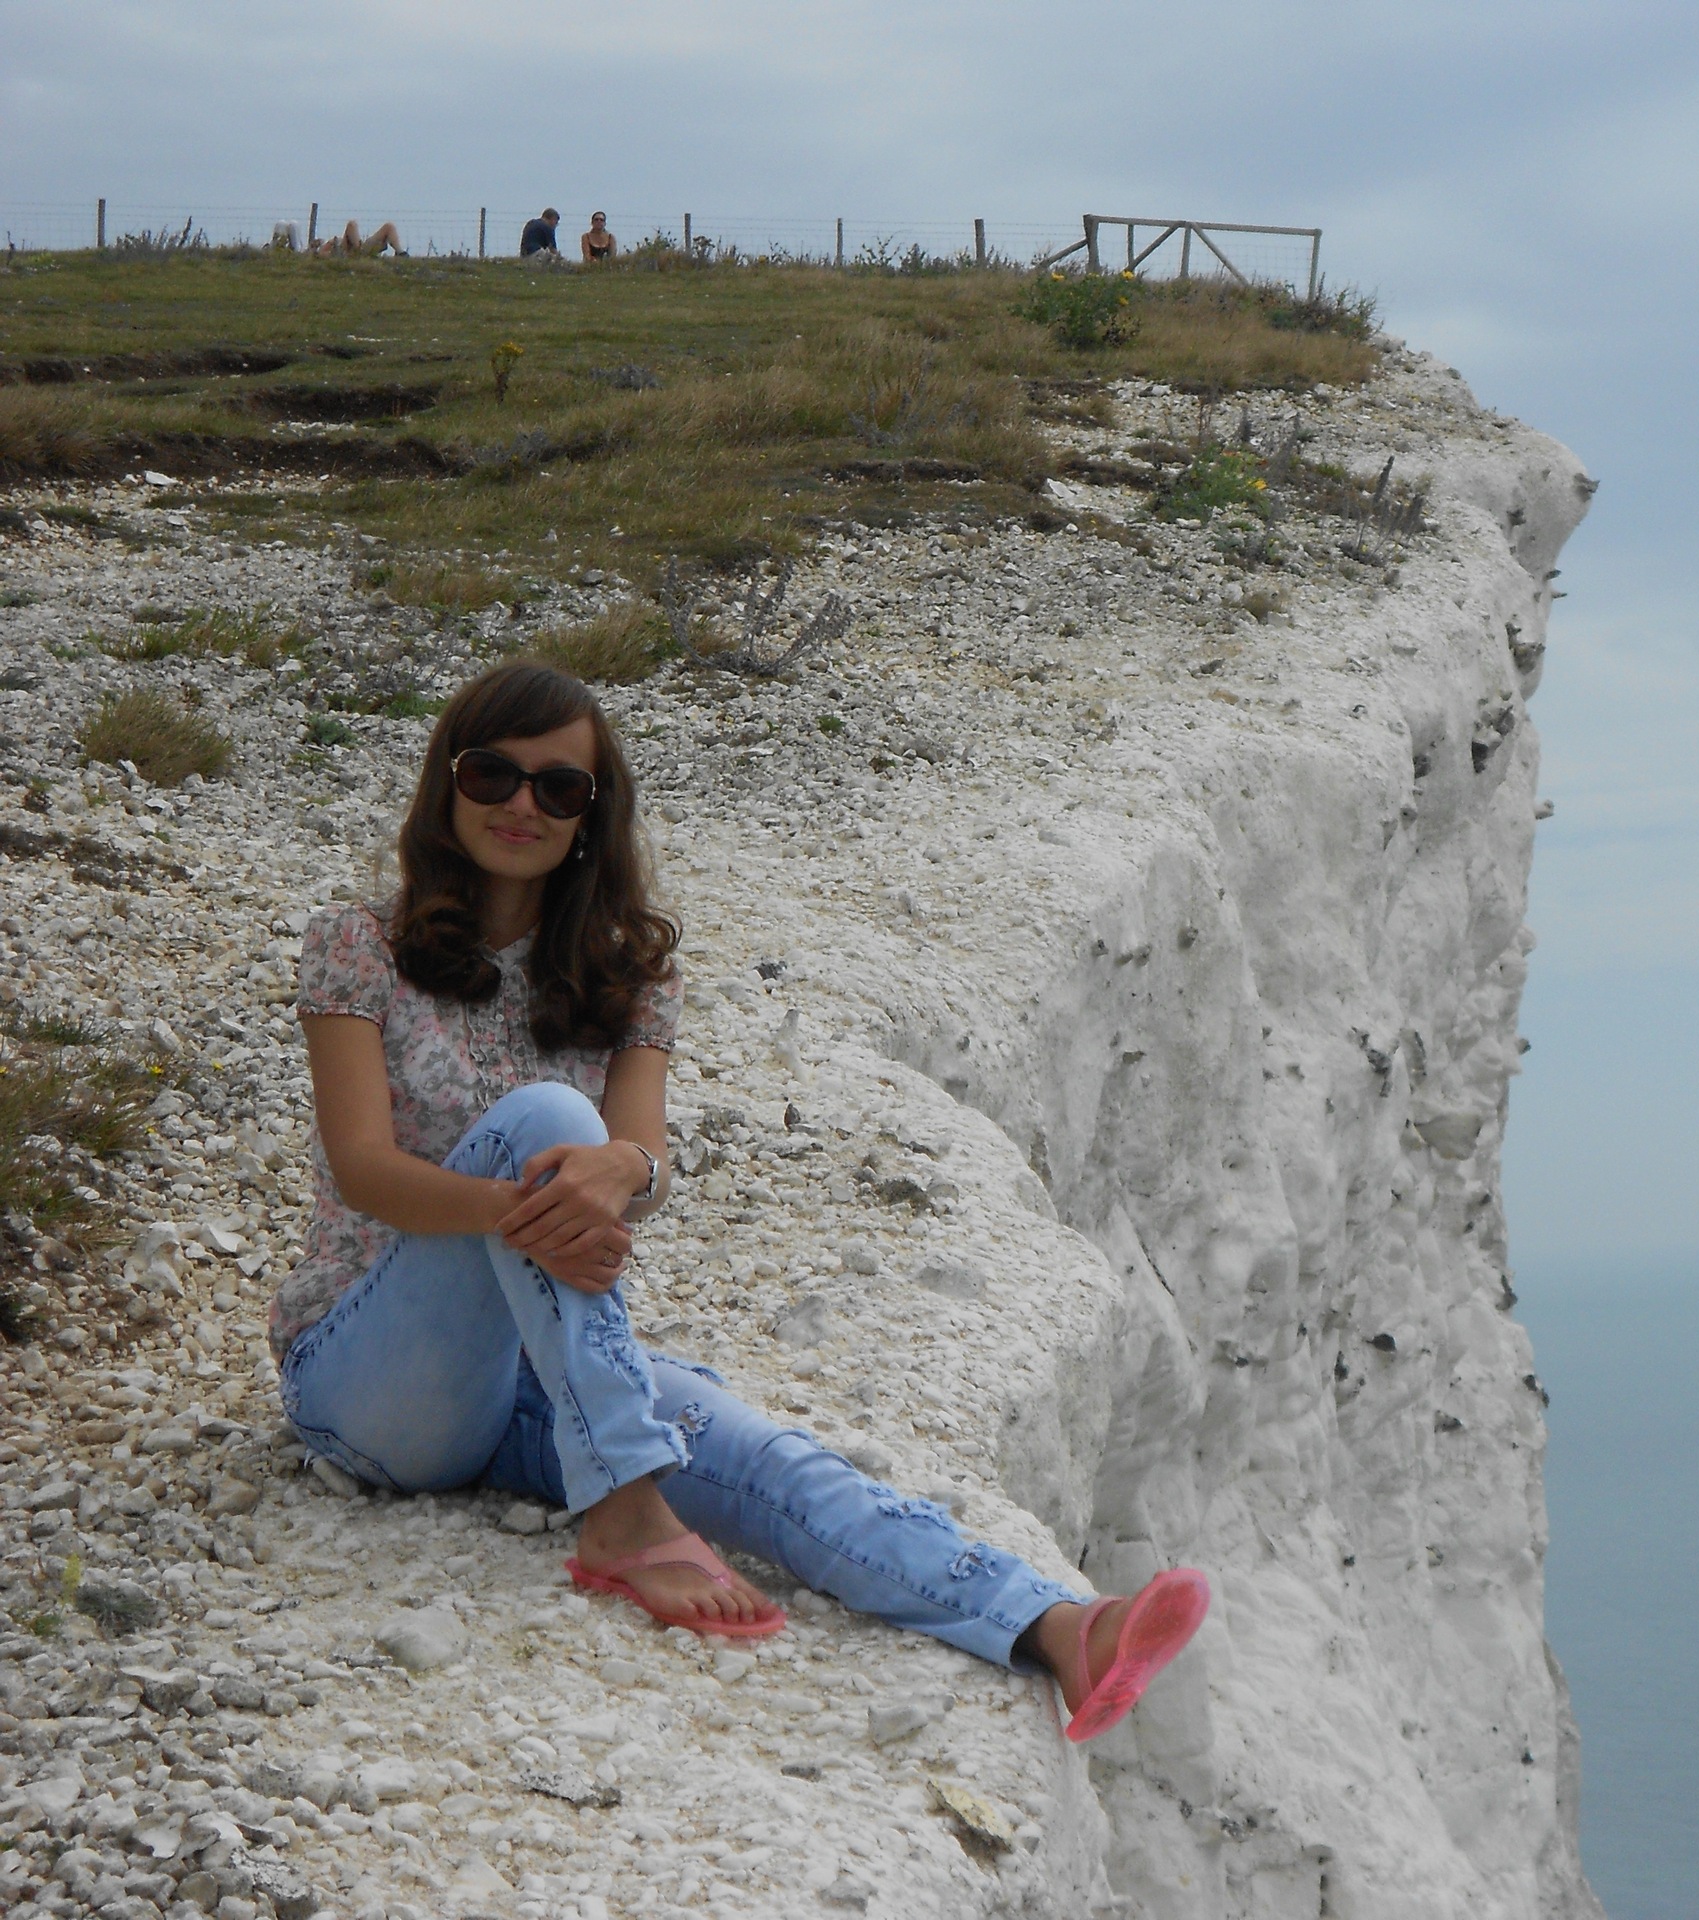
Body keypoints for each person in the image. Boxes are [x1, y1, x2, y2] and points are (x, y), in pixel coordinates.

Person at [275, 661, 1207, 1739]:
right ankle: (625, 1512)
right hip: (371, 1376)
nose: (521, 805)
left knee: (768, 1463)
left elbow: (645, 1161)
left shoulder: (628, 971)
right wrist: (533, 1208)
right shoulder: (360, 944)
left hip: (538, 1375)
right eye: (493, 774)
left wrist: (625, 1173)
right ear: (447, 781)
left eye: (558, 788)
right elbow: (363, 1170)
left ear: (591, 817)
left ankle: (1059, 1629)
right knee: (548, 1123)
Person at [313, 218, 401, 258]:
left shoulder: (330, 243)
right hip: (349, 251)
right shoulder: (321, 251)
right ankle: (358, 250)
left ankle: (401, 253)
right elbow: (325, 255)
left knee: (389, 226)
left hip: (362, 246)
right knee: (351, 224)